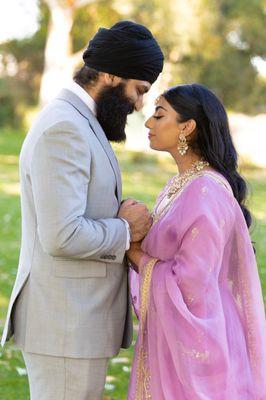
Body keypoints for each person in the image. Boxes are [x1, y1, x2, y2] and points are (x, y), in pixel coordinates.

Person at [1, 21, 164, 400]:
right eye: (139, 91)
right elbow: (62, 235)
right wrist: (125, 229)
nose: (141, 104)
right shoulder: (65, 127)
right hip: (65, 328)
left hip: (76, 326)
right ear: (109, 74)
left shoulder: (81, 121)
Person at [127, 84, 266, 399]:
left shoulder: (206, 191)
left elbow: (191, 284)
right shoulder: (180, 183)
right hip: (171, 336)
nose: (148, 123)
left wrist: (132, 251)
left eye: (159, 115)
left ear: (187, 127)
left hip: (200, 346)